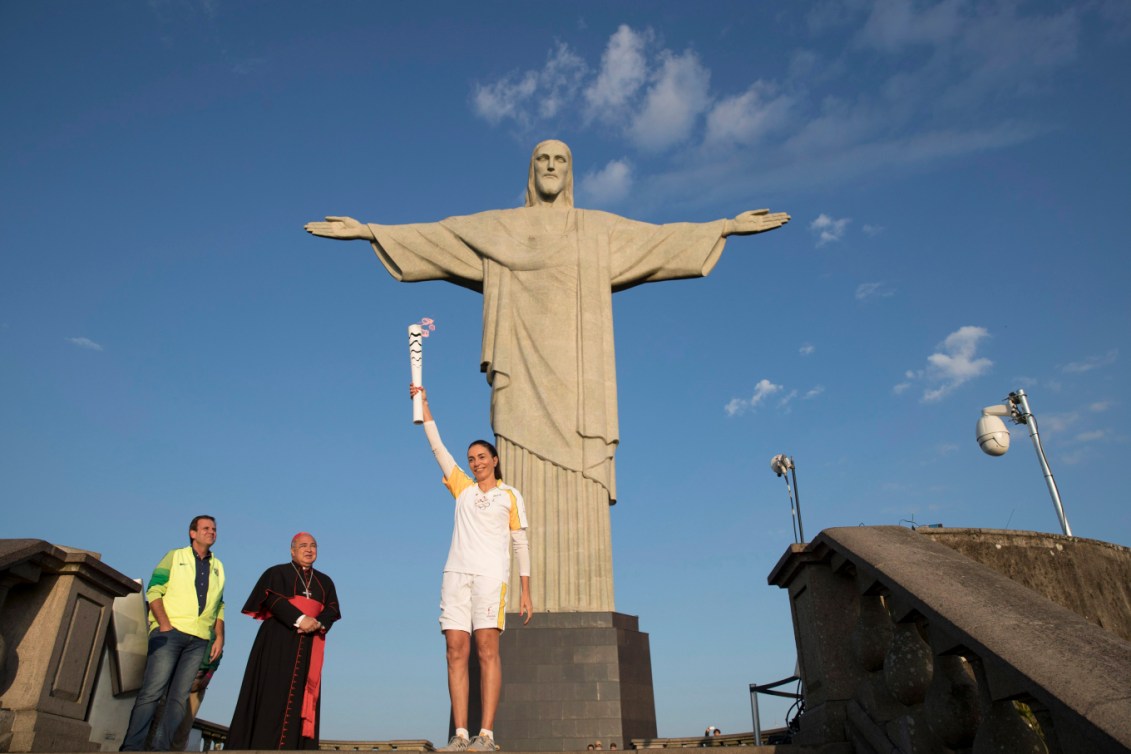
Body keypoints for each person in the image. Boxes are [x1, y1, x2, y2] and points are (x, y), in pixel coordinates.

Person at [306, 140, 789, 614]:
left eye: (561, 160)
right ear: (531, 170)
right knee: (520, 486)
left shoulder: (596, 230)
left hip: (581, 384)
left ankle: (582, 601)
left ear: (571, 172)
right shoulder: (501, 228)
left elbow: (659, 239)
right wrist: (370, 231)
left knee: (581, 479)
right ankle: (522, 605)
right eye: (543, 159)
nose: (552, 166)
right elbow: (440, 237)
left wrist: (725, 226)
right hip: (520, 376)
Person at [410, 385, 532, 752]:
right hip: (456, 576)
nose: (476, 462)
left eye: (482, 456)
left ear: (495, 460)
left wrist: (525, 589)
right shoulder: (461, 487)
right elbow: (437, 447)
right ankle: (461, 734)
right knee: (455, 650)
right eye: (471, 458)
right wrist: (424, 404)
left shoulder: (509, 496)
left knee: (486, 650)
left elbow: (520, 543)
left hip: (491, 578)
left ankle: (487, 735)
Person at [226, 532, 342, 750]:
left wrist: (317, 623)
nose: (309, 550)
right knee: (271, 695)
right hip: (277, 642)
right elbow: (271, 598)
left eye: (313, 546)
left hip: (310, 645)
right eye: (303, 546)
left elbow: (333, 609)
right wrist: (299, 619)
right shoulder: (276, 573)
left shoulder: (325, 582)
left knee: (304, 698)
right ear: (292, 550)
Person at [120, 516, 225, 751]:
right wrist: (164, 624)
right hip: (169, 634)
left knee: (178, 700)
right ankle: (131, 747)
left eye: (214, 529)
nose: (212, 532)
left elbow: (219, 605)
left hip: (198, 640)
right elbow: (154, 590)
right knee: (152, 693)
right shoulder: (174, 556)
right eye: (206, 528)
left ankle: (160, 749)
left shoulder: (218, 567)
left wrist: (219, 636)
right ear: (192, 533)